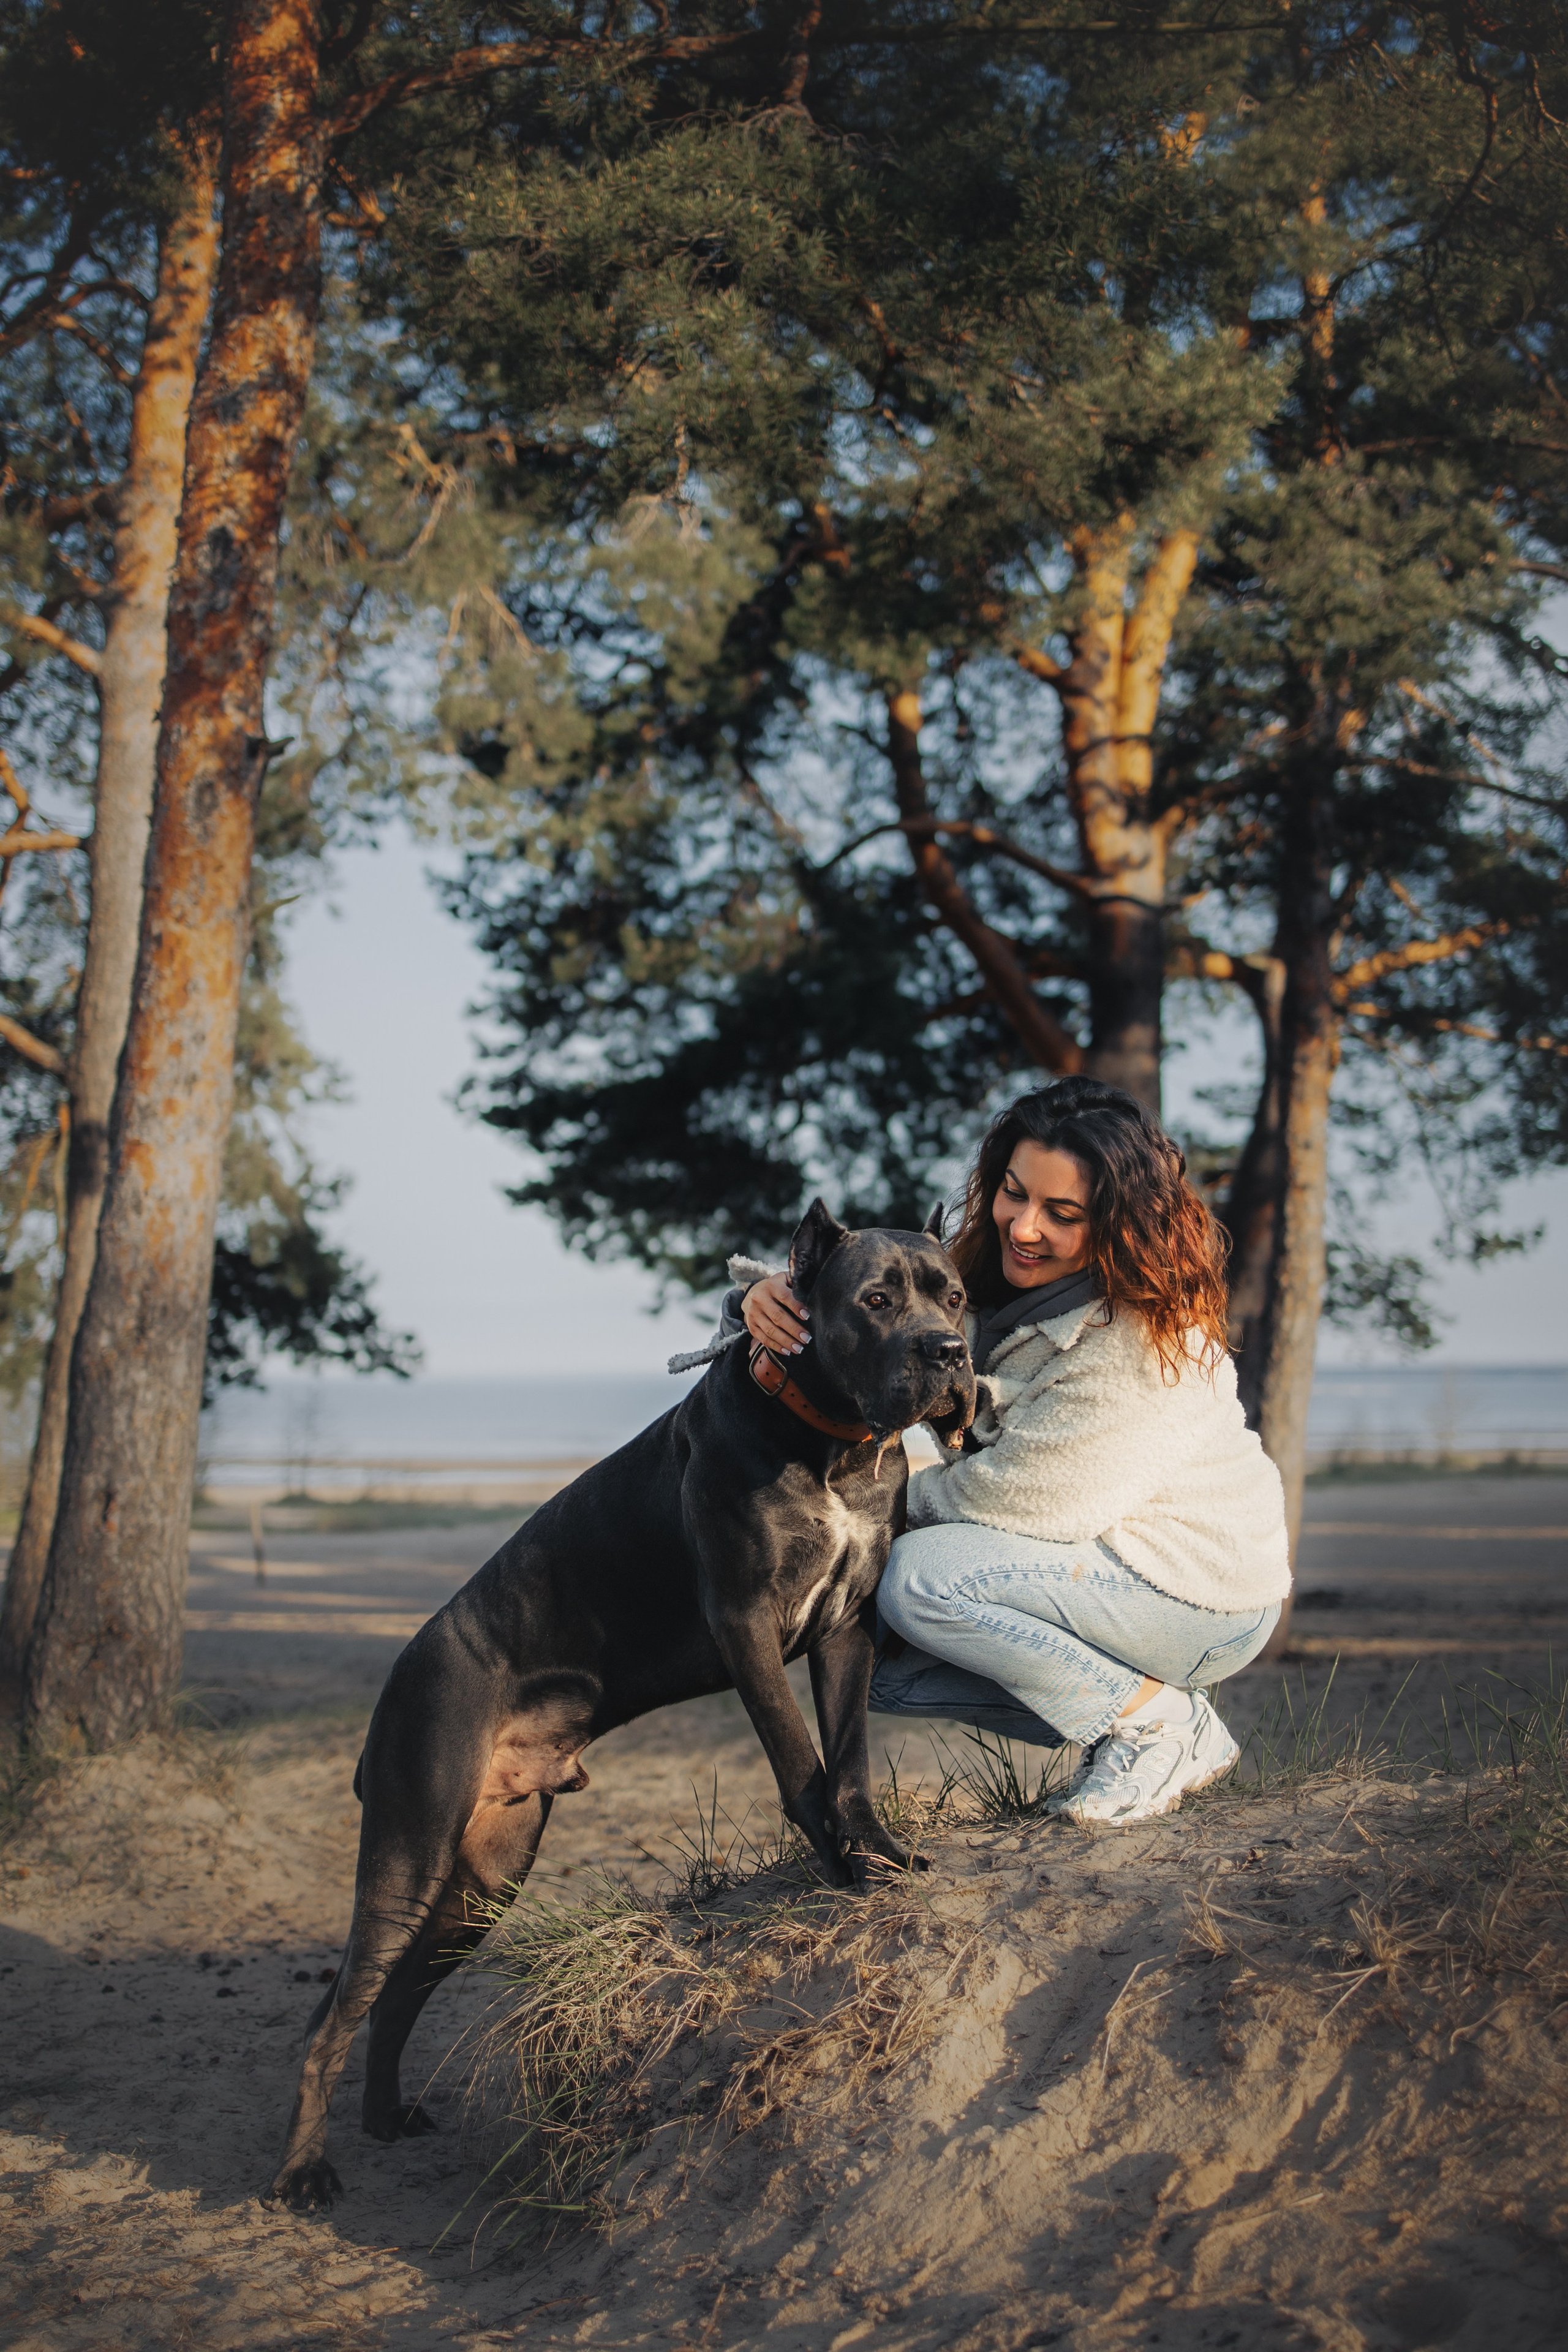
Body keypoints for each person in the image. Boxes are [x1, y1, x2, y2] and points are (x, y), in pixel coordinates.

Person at [731, 1077, 1289, 1827]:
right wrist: (763, 1295)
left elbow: (1029, 1501)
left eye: (1062, 1214)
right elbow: (866, 1291)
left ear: (1121, 1224)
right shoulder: (997, 1282)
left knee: (918, 1581)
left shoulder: (1144, 1343)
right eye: (1013, 1193)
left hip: (1198, 1594)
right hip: (1091, 1568)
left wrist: (865, 1504)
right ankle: (1133, 1719)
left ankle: (1155, 1726)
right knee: (878, 1656)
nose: (1023, 1227)